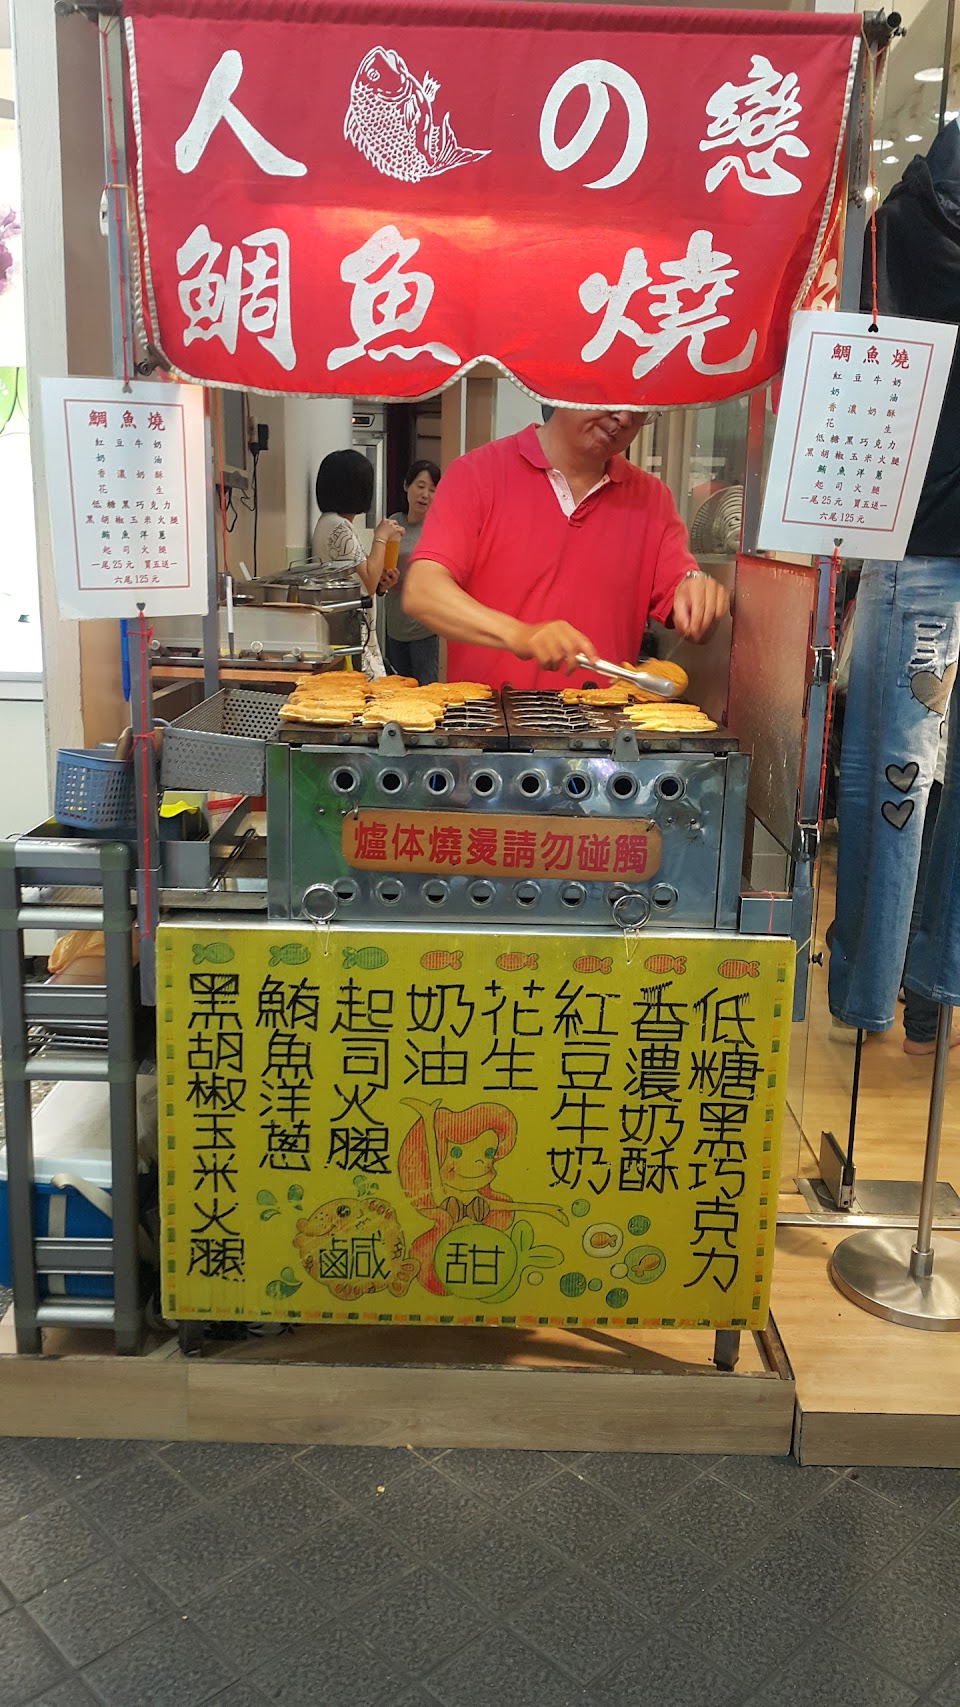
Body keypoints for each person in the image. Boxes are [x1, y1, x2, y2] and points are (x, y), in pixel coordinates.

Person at [403, 408, 728, 690]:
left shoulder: (652, 500)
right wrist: (521, 635)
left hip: (605, 735)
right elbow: (423, 591)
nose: (624, 418)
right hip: (487, 731)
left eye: (640, 410)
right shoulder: (477, 474)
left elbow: (684, 599)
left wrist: (698, 593)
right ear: (566, 386)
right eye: (612, 398)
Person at [311, 449, 403, 679]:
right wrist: (381, 536)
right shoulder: (338, 526)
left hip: (354, 633)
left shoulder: (332, 523)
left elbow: (365, 580)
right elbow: (368, 582)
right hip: (353, 636)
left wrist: (381, 585)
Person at [384, 459, 442, 685]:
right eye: (420, 486)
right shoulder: (393, 524)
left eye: (432, 490)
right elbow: (379, 570)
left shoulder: (437, 528)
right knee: (397, 690)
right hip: (394, 624)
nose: (425, 495)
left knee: (426, 690)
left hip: (424, 629)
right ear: (406, 485)